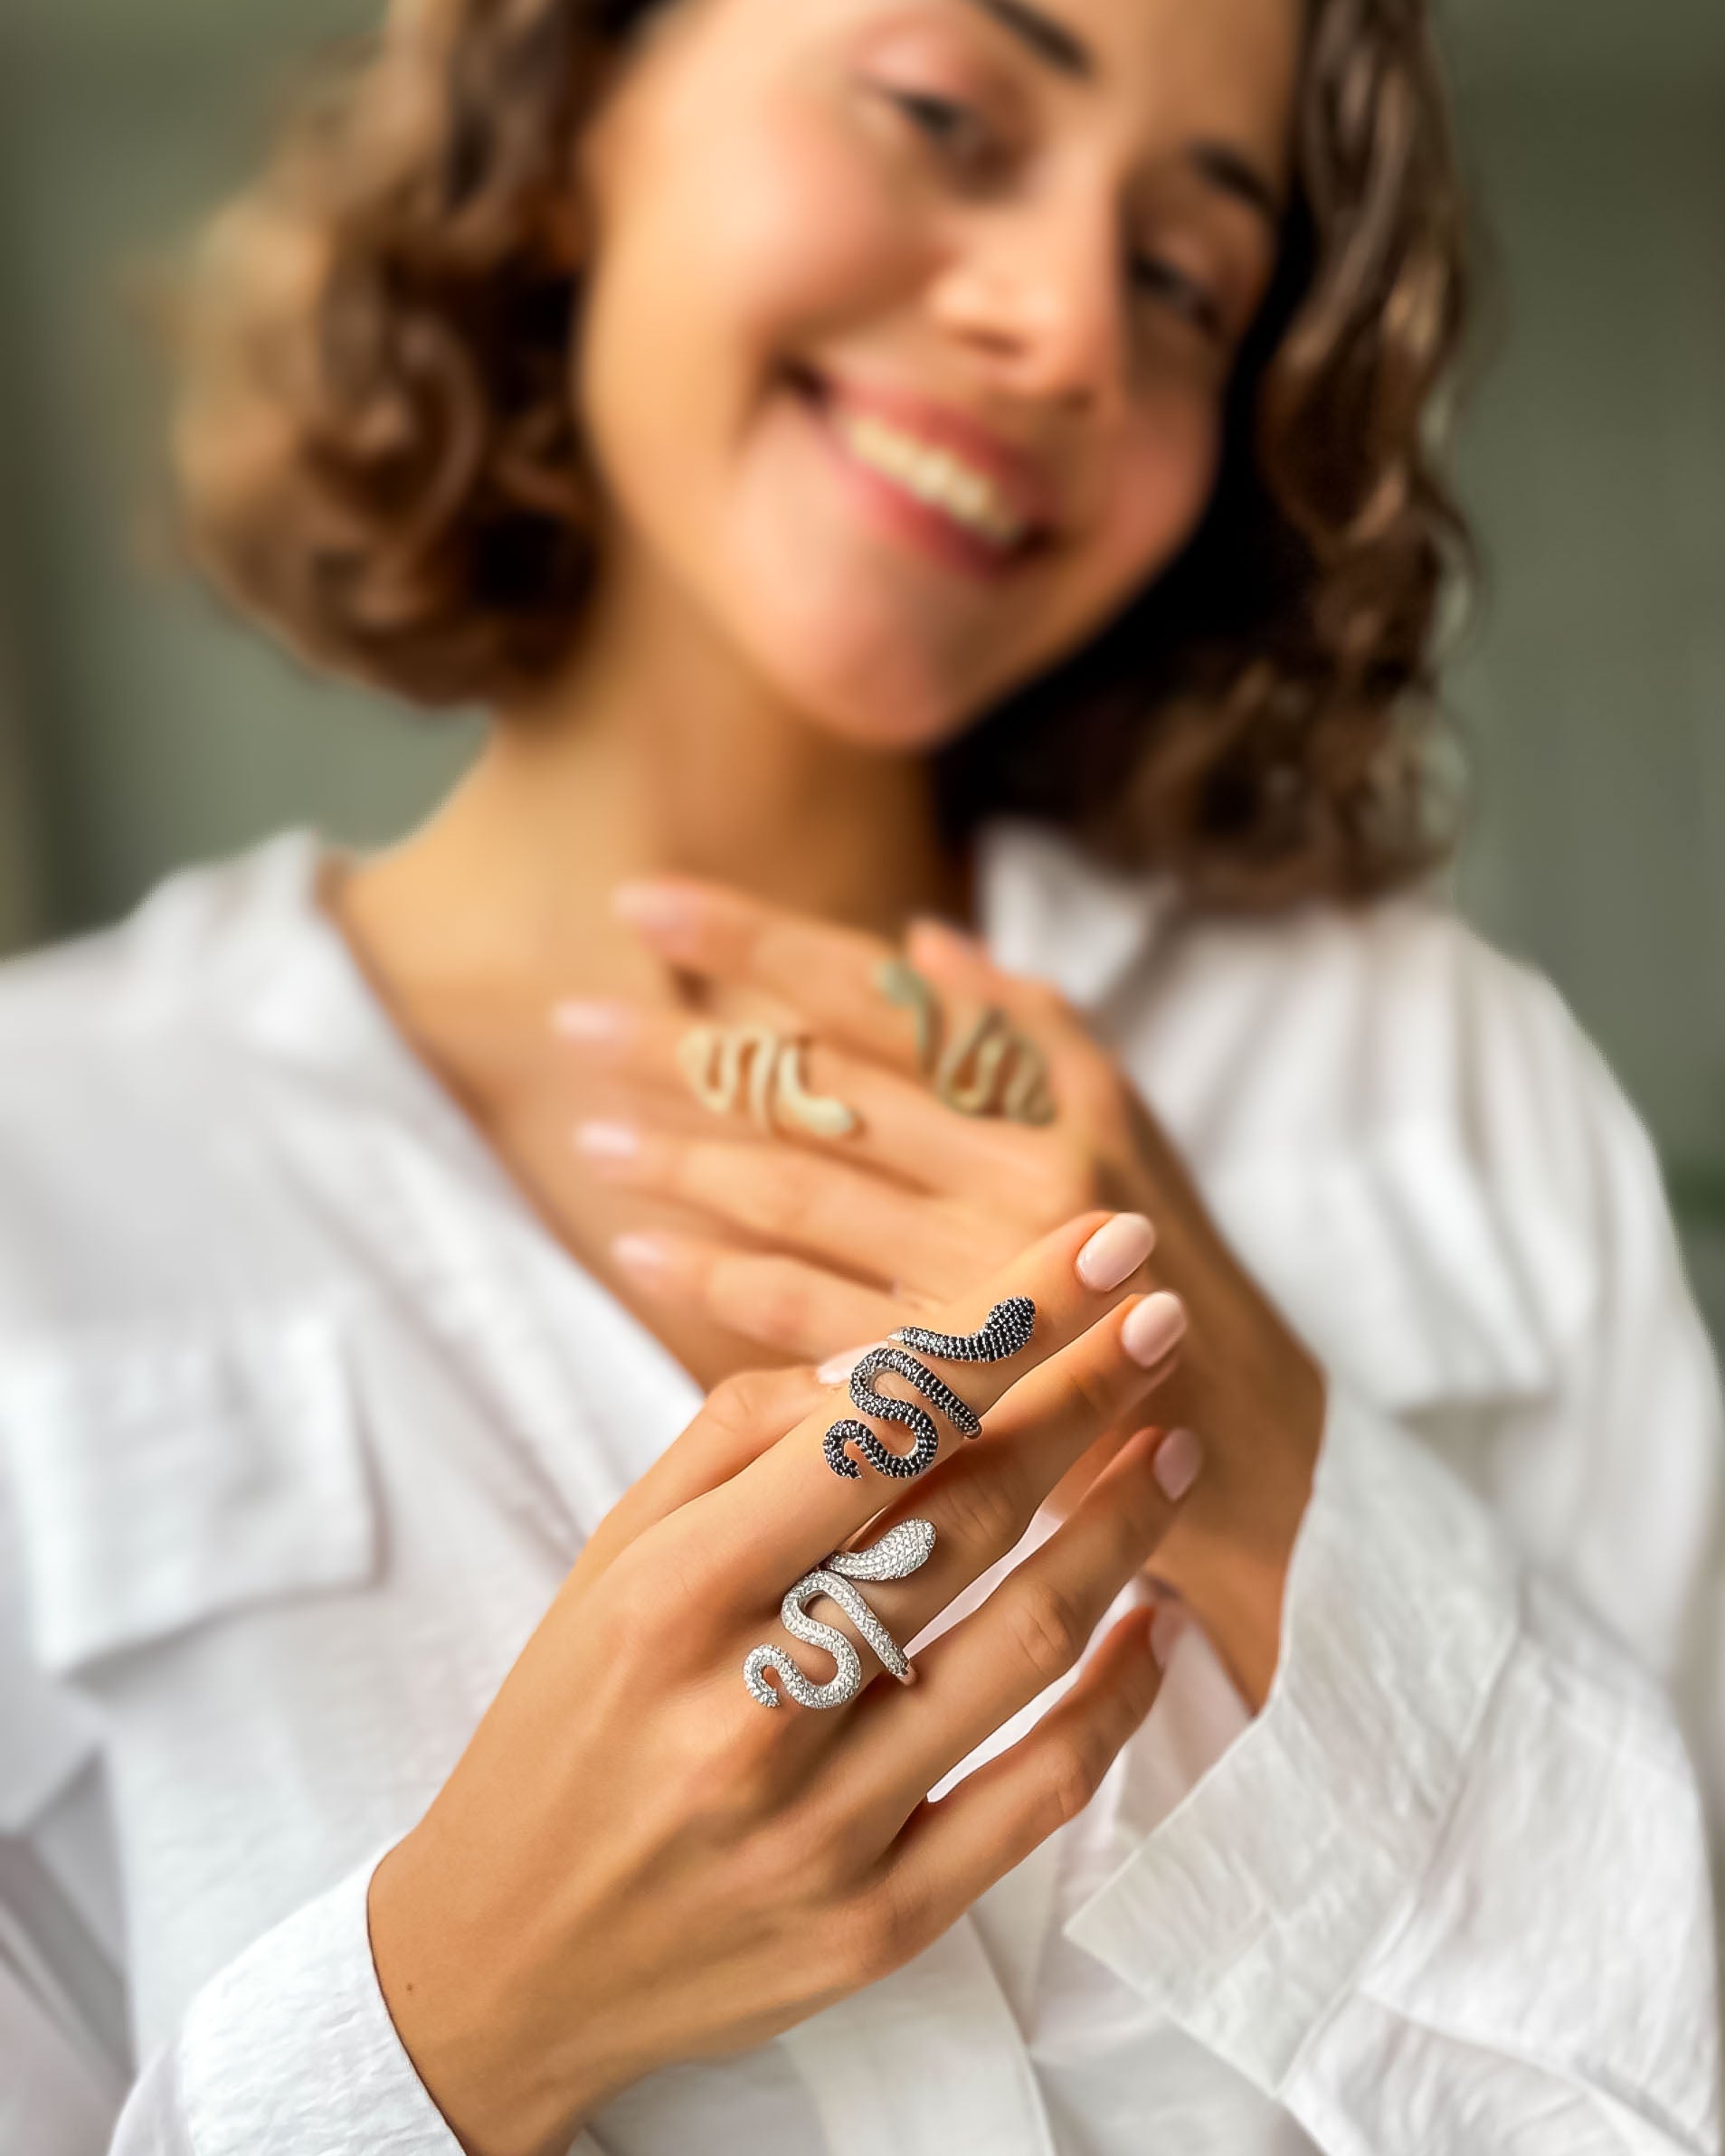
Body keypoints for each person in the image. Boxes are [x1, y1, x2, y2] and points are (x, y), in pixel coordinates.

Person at [0, 0, 1718, 2150]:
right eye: (943, 113)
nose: (1071, 323)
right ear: (565, 104)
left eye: (1189, 275)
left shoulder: (1439, 1081)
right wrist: (448, 2009)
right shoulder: (41, 1185)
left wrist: (1285, 1483)